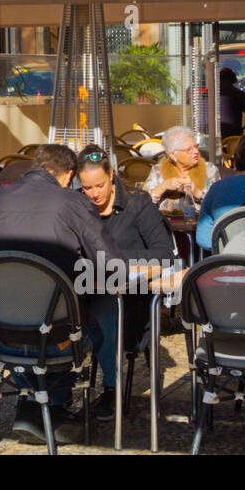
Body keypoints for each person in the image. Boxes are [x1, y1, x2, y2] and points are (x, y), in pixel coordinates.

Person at [0, 143, 120, 444]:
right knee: (99, 318)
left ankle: (31, 402)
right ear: (68, 175)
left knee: (49, 325)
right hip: (56, 339)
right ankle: (53, 405)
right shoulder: (73, 203)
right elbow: (111, 265)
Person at [76, 146, 173, 420]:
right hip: (86, 294)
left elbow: (164, 254)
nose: (94, 194)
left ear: (112, 177)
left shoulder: (138, 204)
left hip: (133, 304)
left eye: (100, 185)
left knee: (106, 306)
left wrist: (113, 260)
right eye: (86, 187)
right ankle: (51, 387)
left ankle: (111, 389)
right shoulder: (77, 205)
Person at [142, 125, 220, 214]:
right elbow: (142, 205)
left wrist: (198, 193)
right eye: (189, 149)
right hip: (164, 224)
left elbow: (219, 204)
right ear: (173, 155)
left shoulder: (209, 170)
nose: (196, 151)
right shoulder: (158, 171)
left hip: (198, 224)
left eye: (196, 146)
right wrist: (162, 187)